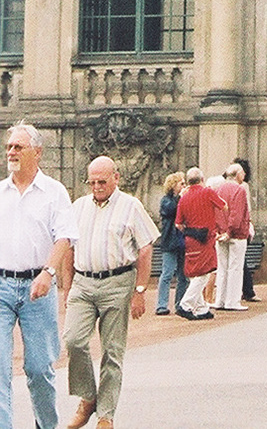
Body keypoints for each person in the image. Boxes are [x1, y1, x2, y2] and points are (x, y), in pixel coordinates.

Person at [62, 154, 158, 429]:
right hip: (83, 281)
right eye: (92, 182)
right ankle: (88, 396)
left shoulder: (131, 206)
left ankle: (106, 414)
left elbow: (145, 248)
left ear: (116, 178)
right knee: (73, 340)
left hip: (118, 282)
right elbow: (68, 247)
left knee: (112, 351)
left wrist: (140, 290)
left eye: (102, 181)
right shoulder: (78, 207)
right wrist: (67, 288)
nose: (97, 187)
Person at [0, 122, 73, 429]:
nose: (11, 152)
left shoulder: (54, 193)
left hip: (38, 288)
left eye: (18, 146)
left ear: (37, 152)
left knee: (40, 369)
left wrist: (48, 272)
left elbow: (65, 237)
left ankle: (47, 426)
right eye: (9, 147)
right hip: (2, 286)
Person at [176, 167, 227, 318]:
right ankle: (186, 304)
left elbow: (178, 224)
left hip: (190, 238)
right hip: (205, 238)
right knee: (204, 273)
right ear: (202, 179)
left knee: (194, 273)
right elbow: (224, 206)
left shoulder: (184, 198)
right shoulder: (207, 192)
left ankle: (201, 308)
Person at [213, 162, 251, 310]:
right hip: (236, 235)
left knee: (222, 269)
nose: (244, 175)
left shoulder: (219, 189)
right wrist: (230, 232)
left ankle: (220, 300)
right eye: (242, 173)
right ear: (236, 175)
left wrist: (218, 231)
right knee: (235, 268)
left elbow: (216, 211)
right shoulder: (239, 190)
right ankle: (232, 301)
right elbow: (236, 214)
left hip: (220, 233)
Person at [155, 172, 186, 315]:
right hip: (170, 240)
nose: (184, 186)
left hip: (183, 240)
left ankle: (180, 303)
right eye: (181, 183)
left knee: (183, 274)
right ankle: (161, 304)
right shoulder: (166, 200)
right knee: (167, 273)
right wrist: (180, 198)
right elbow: (170, 210)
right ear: (173, 185)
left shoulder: (183, 199)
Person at [233, 156, 257, 300]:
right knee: (241, 261)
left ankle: (247, 290)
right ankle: (247, 290)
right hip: (243, 225)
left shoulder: (242, 186)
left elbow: (245, 208)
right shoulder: (243, 186)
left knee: (240, 262)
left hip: (241, 226)